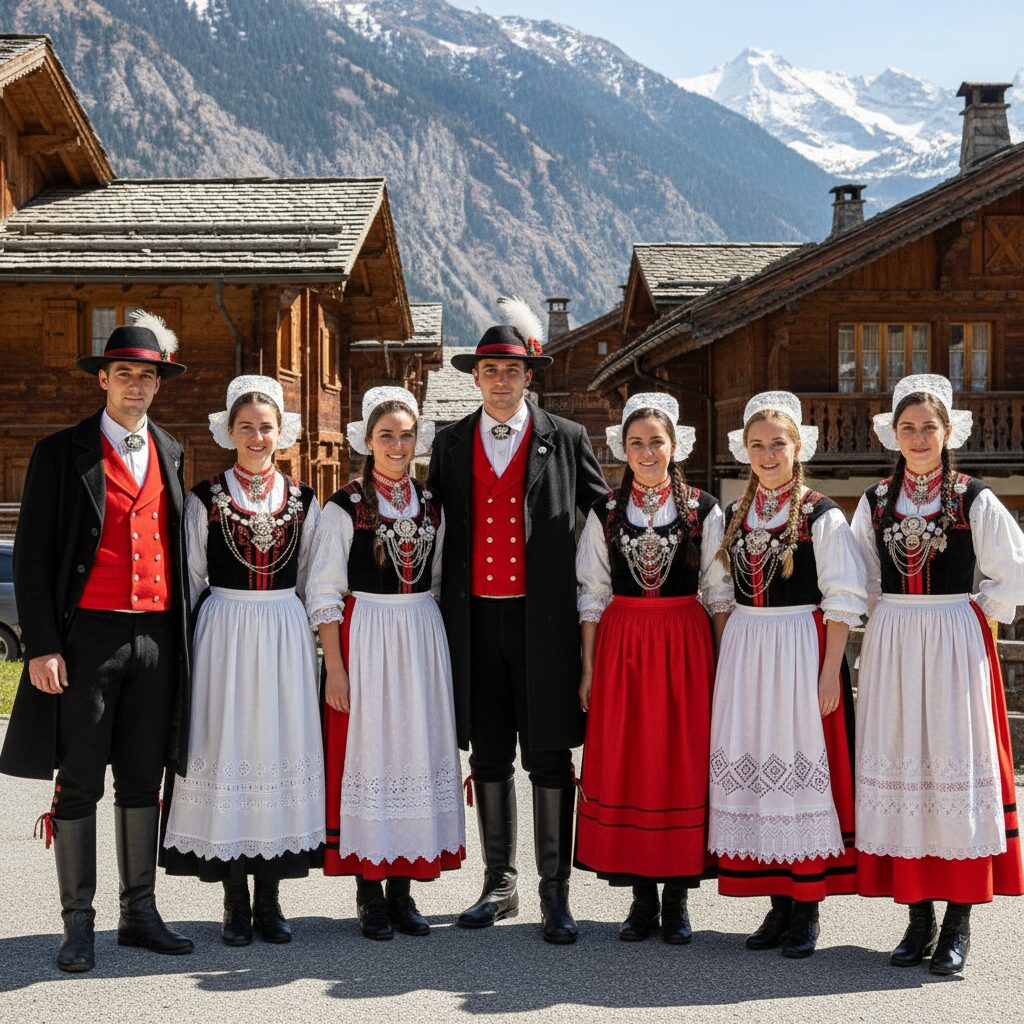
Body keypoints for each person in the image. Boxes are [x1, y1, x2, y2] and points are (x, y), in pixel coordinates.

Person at [0, 312, 194, 972]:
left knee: (145, 778)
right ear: (104, 380)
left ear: (156, 385)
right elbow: (31, 558)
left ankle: (138, 913)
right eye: (124, 374)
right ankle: (76, 923)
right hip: (89, 639)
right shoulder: (62, 452)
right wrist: (42, 646)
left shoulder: (171, 449)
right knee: (79, 779)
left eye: (147, 376)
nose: (135, 385)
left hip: (157, 638)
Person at [427, 296, 607, 944]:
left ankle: (554, 895)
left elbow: (606, 521)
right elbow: (427, 529)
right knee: (493, 757)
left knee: (551, 758)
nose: (500, 380)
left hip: (547, 626)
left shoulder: (567, 439)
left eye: (511, 370)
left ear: (529, 376)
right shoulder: (449, 445)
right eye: (489, 370)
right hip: (476, 625)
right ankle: (498, 885)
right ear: (474, 378)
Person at [851, 373, 1024, 975]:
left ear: (950, 432)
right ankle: (917, 916)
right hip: (896, 643)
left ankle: (957, 921)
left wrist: (975, 614)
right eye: (908, 428)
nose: (919, 437)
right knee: (906, 766)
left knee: (952, 765)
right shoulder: (873, 502)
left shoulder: (974, 498)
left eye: (929, 427)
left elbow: (1013, 571)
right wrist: (891, 620)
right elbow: (861, 577)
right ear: (892, 436)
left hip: (954, 642)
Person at [162, 375, 325, 946]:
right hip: (225, 633)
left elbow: (309, 576)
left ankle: (271, 898)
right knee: (229, 745)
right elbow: (191, 577)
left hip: (283, 630)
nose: (257, 436)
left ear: (283, 434)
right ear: (228, 432)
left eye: (267, 427)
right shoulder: (205, 498)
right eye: (247, 427)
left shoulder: (306, 500)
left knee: (276, 750)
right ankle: (234, 898)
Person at [708, 391, 866, 958]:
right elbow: (720, 592)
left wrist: (829, 673)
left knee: (800, 771)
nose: (768, 454)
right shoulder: (733, 514)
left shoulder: (821, 513)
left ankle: (807, 909)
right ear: (744, 452)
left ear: (798, 447)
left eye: (778, 443)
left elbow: (844, 597)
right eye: (758, 445)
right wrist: (730, 662)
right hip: (749, 648)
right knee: (756, 762)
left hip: (801, 647)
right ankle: (775, 905)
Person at [306, 386, 465, 941]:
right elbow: (324, 588)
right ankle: (369, 893)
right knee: (371, 755)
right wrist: (336, 667)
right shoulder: (342, 506)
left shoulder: (431, 504)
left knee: (412, 754)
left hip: (419, 634)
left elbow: (440, 580)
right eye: (386, 436)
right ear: (366, 441)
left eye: (405, 435)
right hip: (366, 634)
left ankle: (404, 890)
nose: (397, 445)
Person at [574, 393, 732, 943]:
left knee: (679, 762)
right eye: (636, 442)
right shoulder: (605, 512)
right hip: (623, 646)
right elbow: (591, 593)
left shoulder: (703, 510)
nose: (646, 452)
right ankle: (641, 900)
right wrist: (589, 668)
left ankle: (678, 899)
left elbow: (717, 595)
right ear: (623, 448)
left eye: (656, 442)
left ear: (675, 446)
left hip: (685, 644)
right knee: (634, 759)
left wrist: (720, 667)